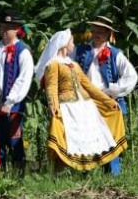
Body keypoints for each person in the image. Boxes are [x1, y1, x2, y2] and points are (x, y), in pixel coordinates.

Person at [35, 29, 127, 172]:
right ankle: (60, 171)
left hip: (85, 106)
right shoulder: (53, 64)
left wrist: (109, 102)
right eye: (71, 42)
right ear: (64, 45)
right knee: (67, 136)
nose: (73, 45)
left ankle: (88, 171)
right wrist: (53, 104)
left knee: (92, 134)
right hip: (68, 107)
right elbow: (51, 86)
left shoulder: (74, 65)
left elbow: (89, 87)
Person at [72, 16, 138, 175]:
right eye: (95, 30)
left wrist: (111, 91)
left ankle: (113, 174)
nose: (97, 33)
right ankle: (85, 173)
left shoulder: (115, 54)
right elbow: (67, 69)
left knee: (110, 138)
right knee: (85, 138)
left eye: (101, 31)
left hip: (107, 101)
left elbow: (131, 77)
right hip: (85, 101)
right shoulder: (79, 51)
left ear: (109, 33)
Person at [0, 9, 34, 170]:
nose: (4, 30)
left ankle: (18, 175)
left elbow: (24, 79)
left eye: (8, 27)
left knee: (14, 140)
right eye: (2, 27)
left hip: (12, 105)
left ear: (16, 29)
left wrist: (10, 101)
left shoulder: (23, 51)